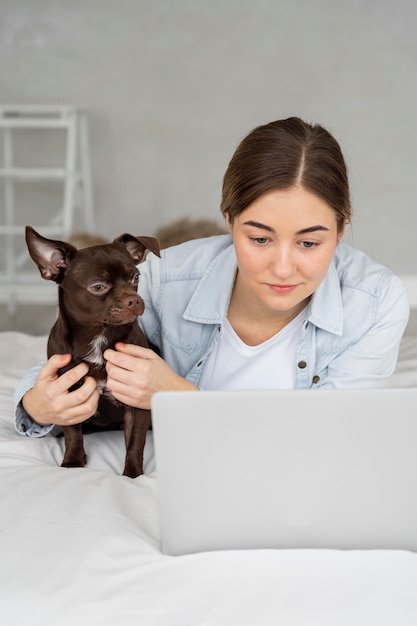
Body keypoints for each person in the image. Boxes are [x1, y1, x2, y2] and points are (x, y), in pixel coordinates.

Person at [14, 117, 409, 437]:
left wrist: (179, 396)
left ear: (340, 231)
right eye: (259, 238)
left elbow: (336, 433)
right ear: (229, 222)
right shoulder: (166, 277)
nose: (284, 268)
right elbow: (59, 365)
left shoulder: (376, 300)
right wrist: (37, 406)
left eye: (309, 244)